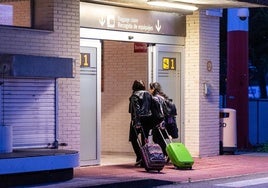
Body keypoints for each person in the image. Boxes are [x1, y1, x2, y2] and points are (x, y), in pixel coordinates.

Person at [149, 82, 178, 158]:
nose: (149, 90)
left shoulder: (155, 98)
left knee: (157, 139)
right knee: (161, 139)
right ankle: (167, 154)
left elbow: (158, 111)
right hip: (167, 122)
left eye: (150, 88)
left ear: (153, 89)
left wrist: (158, 121)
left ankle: (166, 154)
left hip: (160, 122)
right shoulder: (164, 97)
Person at [129, 80, 153, 166]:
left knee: (133, 138)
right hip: (148, 119)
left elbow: (136, 110)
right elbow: (152, 107)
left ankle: (140, 156)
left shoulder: (134, 95)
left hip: (138, 120)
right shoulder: (148, 94)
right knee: (144, 139)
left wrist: (137, 122)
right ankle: (145, 159)